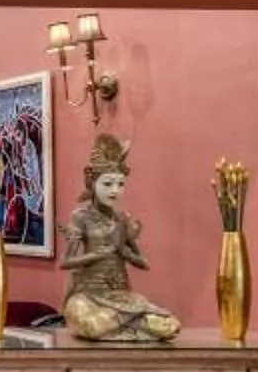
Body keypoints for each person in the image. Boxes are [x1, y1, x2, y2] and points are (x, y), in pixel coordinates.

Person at [58, 133, 181, 342]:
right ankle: (131, 324)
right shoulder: (81, 216)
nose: (115, 190)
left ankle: (125, 325)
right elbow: (66, 262)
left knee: (171, 325)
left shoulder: (123, 219)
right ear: (92, 183)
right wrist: (96, 255)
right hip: (87, 294)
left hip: (120, 295)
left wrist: (124, 252)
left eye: (120, 184)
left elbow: (143, 263)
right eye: (108, 184)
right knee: (91, 325)